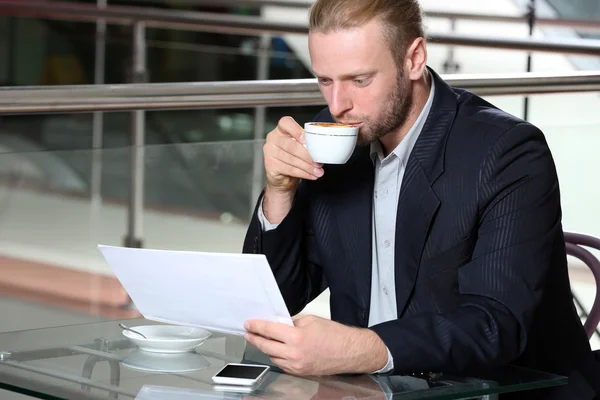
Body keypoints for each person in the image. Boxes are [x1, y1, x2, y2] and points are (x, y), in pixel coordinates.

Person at [241, 0, 600, 398]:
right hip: (371, 391)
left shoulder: (507, 152)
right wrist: (279, 191)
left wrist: (357, 349)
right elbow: (275, 301)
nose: (337, 104)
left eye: (359, 80)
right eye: (325, 80)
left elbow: (495, 325)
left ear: (414, 59)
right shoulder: (340, 142)